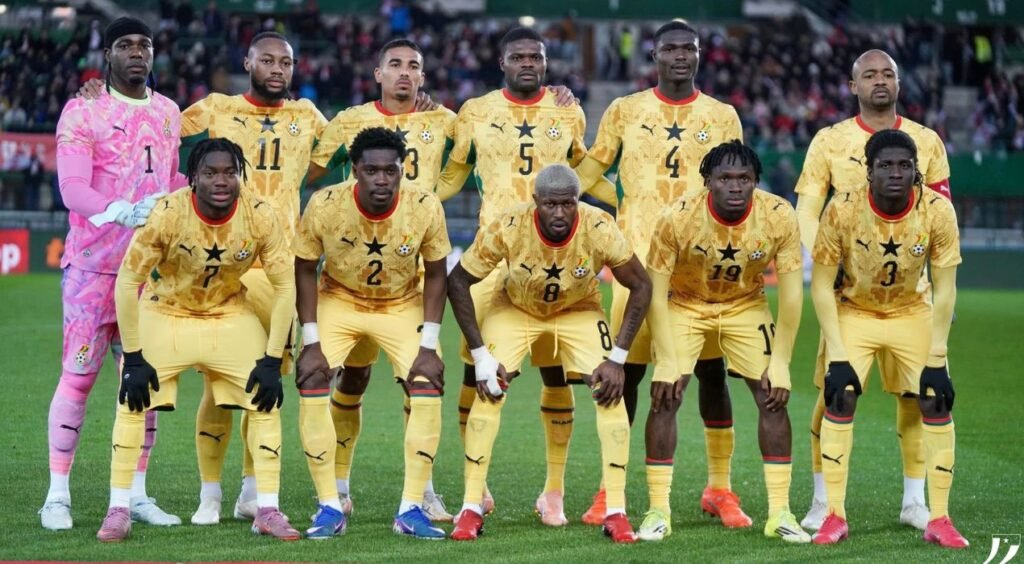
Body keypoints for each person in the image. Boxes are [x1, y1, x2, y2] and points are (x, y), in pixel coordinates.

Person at [77, 30, 330, 526]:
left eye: (286, 62)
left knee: (265, 383)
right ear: (248, 63)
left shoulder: (308, 116)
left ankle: (253, 493)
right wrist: (102, 94)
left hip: (273, 263)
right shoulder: (215, 109)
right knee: (217, 386)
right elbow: (155, 124)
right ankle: (209, 493)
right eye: (267, 60)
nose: (277, 69)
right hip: (220, 275)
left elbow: (339, 154)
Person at [574, 19, 748, 526]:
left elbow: (736, 183)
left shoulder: (722, 116)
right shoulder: (624, 110)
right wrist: (619, 198)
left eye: (688, 48)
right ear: (654, 56)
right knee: (625, 375)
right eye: (670, 48)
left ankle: (720, 489)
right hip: (637, 269)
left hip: (701, 271)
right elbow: (590, 172)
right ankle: (611, 490)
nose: (680, 56)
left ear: (699, 55)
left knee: (712, 375)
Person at [98, 138, 298, 542]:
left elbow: (285, 288)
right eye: (210, 173)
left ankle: (267, 508)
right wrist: (133, 357)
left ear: (240, 175)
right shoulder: (168, 213)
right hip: (167, 311)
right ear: (193, 178)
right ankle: (118, 509)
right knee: (131, 399)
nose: (221, 181)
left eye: (229, 172)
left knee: (265, 399)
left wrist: (272, 359)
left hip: (228, 312)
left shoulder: (260, 215)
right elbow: (128, 282)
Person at [434, 26, 592, 525]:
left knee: (556, 369)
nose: (528, 63)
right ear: (502, 62)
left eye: (536, 57)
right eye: (518, 56)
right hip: (492, 257)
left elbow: (584, 173)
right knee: (476, 370)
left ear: (546, 63)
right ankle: (475, 487)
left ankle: (554, 491)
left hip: (554, 257)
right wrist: (416, 201)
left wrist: (622, 202)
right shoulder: (475, 111)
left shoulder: (568, 111)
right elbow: (454, 174)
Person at [446, 164, 652, 543]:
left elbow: (641, 285)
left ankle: (616, 511)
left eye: (567, 204)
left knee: (610, 391)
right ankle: (471, 506)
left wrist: (617, 359)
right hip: (515, 308)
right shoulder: (509, 225)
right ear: (535, 201)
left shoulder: (599, 225)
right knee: (489, 387)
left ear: (578, 200)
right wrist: (480, 354)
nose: (559, 212)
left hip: (578, 310)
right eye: (550, 204)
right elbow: (458, 280)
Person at [794, 49, 952, 532]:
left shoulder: (927, 141)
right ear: (853, 85)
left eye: (888, 74)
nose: (879, 81)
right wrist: (826, 257)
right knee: (833, 394)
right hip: (849, 296)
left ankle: (915, 502)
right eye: (869, 75)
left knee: (916, 399)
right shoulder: (829, 140)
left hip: (910, 297)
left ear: (899, 83)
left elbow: (938, 214)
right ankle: (823, 502)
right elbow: (807, 209)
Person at [304, 38, 457, 522]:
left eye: (414, 65)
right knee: (353, 377)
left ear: (423, 76)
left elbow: (481, 157)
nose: (404, 73)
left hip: (409, 272)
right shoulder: (349, 121)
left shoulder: (444, 120)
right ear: (378, 73)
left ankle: (422, 490)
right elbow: (308, 171)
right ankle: (337, 487)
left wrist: (436, 196)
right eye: (395, 64)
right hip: (348, 275)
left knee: (422, 381)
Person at [42, 17, 184, 531]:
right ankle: (57, 495)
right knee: (78, 378)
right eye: (125, 45)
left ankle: (136, 494)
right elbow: (72, 188)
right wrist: (117, 210)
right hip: (93, 271)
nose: (137, 53)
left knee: (144, 383)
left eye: (144, 45)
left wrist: (182, 195)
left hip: (149, 276)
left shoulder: (168, 112)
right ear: (107, 54)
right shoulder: (83, 110)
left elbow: (172, 177)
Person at [638, 141, 810, 544]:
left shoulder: (779, 215)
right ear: (707, 182)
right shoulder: (676, 218)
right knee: (666, 393)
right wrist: (666, 360)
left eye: (744, 178)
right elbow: (654, 293)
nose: (735, 186)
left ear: (756, 182)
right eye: (725, 178)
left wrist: (781, 361)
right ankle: (658, 510)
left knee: (772, 393)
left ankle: (780, 512)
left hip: (745, 304)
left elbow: (792, 297)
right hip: (684, 303)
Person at [809, 129, 966, 549]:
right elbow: (821, 285)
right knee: (840, 394)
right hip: (855, 310)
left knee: (936, 398)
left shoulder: (938, 211)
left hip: (911, 311)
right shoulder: (841, 209)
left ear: (916, 172)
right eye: (885, 165)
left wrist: (938, 356)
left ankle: (939, 518)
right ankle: (834, 515)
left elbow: (946, 289)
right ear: (869, 171)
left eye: (904, 166)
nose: (895, 173)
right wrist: (837, 354)